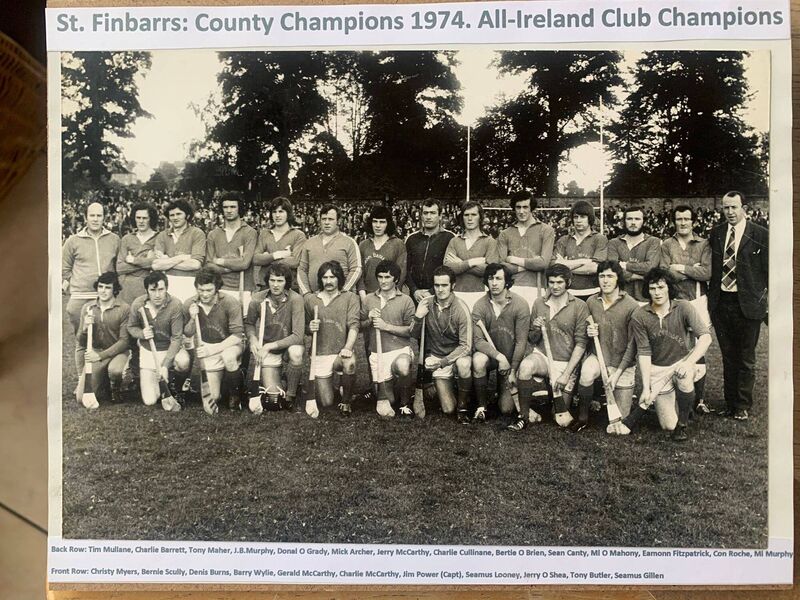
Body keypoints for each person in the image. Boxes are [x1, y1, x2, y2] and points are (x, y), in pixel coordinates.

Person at [612, 267, 712, 441]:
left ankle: (682, 425)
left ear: (669, 288)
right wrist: (645, 387)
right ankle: (679, 409)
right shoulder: (640, 315)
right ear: (647, 290)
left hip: (682, 362)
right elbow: (643, 351)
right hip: (658, 370)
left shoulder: (684, 307)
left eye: (661, 287)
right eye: (652, 288)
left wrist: (688, 363)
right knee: (667, 425)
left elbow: (706, 338)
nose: (657, 293)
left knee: (684, 376)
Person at [707, 191, 768, 421]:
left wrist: (764, 302)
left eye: (734, 207)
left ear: (744, 207)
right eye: (726, 208)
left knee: (745, 356)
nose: (730, 212)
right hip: (722, 303)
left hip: (748, 305)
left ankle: (742, 404)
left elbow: (769, 272)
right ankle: (730, 403)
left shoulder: (760, 235)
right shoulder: (717, 234)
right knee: (728, 356)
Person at [516, 264, 590, 431]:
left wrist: (566, 374)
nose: (555, 286)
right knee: (526, 366)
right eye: (551, 282)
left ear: (568, 282)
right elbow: (532, 339)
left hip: (566, 362)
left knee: (557, 414)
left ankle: (557, 393)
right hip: (543, 357)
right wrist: (535, 328)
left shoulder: (579, 306)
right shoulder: (539, 303)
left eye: (559, 282)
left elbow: (581, 344)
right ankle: (524, 416)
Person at [574, 261, 639, 431]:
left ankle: (607, 398)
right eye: (602, 276)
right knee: (587, 373)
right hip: (599, 356)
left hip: (622, 364)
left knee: (621, 419)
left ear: (618, 279)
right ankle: (583, 417)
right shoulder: (591, 301)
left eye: (610, 276)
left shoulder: (632, 305)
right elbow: (583, 335)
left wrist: (617, 373)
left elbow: (633, 346)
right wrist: (589, 332)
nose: (605, 280)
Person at [660, 204, 712, 414]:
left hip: (697, 300)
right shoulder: (666, 245)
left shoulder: (703, 244)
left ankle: (699, 399)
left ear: (693, 221)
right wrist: (693, 269)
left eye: (686, 219)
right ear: (674, 221)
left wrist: (679, 268)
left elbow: (707, 273)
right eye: (679, 219)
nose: (683, 223)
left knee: (699, 346)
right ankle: (679, 394)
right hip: (674, 302)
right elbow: (665, 274)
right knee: (677, 344)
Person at [175, 268, 245, 413]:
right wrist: (193, 318)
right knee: (214, 397)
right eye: (201, 290)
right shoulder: (190, 303)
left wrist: (213, 349)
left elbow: (237, 335)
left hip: (229, 345)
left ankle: (235, 394)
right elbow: (187, 333)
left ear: (217, 288)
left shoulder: (230, 302)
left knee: (229, 357)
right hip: (207, 348)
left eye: (209, 290)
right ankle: (226, 382)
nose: (205, 294)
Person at [472, 263, 530, 426]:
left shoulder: (520, 304)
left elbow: (521, 342)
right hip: (491, 356)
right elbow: (477, 341)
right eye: (490, 279)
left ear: (507, 281)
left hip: (510, 360)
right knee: (478, 360)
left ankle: (501, 389)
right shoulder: (480, 305)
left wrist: (512, 369)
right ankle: (482, 406)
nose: (494, 283)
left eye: (498, 279)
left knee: (506, 409)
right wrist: (499, 356)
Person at [410, 266, 473, 419]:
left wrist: (443, 363)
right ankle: (454, 389)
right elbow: (413, 334)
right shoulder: (426, 303)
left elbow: (466, 347)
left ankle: (463, 407)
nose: (440, 289)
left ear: (453, 286)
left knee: (464, 365)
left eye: (444, 285)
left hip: (456, 358)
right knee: (447, 409)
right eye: (437, 285)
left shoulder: (461, 308)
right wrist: (418, 317)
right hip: (438, 357)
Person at [244, 263, 305, 414]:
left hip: (287, 346)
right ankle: (285, 379)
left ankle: (291, 395)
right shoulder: (257, 299)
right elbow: (249, 324)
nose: (275, 285)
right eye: (272, 280)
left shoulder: (296, 299)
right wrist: (252, 339)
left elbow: (298, 335)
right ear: (267, 281)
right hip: (268, 350)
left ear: (286, 282)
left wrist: (269, 346)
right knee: (273, 399)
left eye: (280, 281)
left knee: (296, 352)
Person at [360, 260, 415, 417]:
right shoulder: (369, 299)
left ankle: (405, 404)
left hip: (399, 351)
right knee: (388, 399)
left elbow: (411, 331)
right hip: (378, 353)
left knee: (403, 365)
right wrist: (369, 319)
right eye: (380, 277)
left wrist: (386, 327)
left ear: (396, 279)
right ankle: (395, 388)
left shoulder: (406, 300)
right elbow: (360, 326)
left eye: (387, 277)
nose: (383, 281)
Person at [304, 261, 360, 415]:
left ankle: (346, 402)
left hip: (340, 352)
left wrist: (348, 348)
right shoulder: (311, 300)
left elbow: (354, 326)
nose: (328, 281)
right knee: (327, 402)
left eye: (332, 277)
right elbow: (305, 328)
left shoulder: (350, 297)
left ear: (339, 279)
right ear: (320, 279)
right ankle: (341, 386)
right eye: (325, 277)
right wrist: (310, 327)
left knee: (350, 363)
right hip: (321, 353)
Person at [127, 271, 184, 409]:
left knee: (183, 362)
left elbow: (177, 338)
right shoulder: (138, 304)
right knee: (150, 400)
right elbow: (131, 327)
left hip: (169, 349)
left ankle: (175, 386)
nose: (157, 295)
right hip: (148, 350)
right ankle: (161, 383)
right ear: (147, 290)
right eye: (153, 290)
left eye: (161, 290)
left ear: (166, 289)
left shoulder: (175, 304)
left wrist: (165, 365)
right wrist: (142, 333)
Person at [62, 201, 120, 335]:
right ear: (85, 217)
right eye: (92, 215)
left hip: (107, 295)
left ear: (104, 218)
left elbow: (119, 265)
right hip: (80, 295)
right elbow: (65, 268)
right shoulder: (72, 240)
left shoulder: (114, 239)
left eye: (99, 216)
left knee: (105, 337)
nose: (95, 219)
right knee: (82, 338)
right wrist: (78, 282)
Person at [74, 272, 130, 408]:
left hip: (117, 353)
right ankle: (103, 383)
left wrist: (99, 356)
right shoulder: (88, 308)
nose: (103, 291)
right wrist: (85, 328)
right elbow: (81, 342)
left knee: (115, 371)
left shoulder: (124, 308)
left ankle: (115, 388)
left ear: (115, 289)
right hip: (96, 353)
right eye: (100, 287)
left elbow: (124, 341)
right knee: (81, 398)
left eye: (107, 287)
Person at [496, 191, 555, 310]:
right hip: (510, 288)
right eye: (518, 207)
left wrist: (513, 259)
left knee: (535, 327)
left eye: (525, 207)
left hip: (537, 288)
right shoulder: (504, 234)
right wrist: (532, 264)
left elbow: (543, 263)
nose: (521, 211)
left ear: (531, 208)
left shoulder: (546, 230)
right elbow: (501, 266)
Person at [204, 191, 258, 313]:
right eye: (225, 207)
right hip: (219, 288)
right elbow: (209, 266)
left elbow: (245, 263)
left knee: (242, 328)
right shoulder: (213, 234)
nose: (229, 210)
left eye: (233, 207)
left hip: (243, 289)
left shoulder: (250, 232)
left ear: (239, 208)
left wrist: (220, 261)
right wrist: (231, 266)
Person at [444, 201, 499, 313]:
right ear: (462, 217)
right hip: (456, 293)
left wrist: (460, 263)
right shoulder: (454, 241)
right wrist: (471, 262)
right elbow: (448, 268)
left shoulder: (490, 242)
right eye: (466, 215)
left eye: (473, 215)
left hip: (481, 294)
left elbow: (490, 271)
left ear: (480, 217)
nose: (470, 218)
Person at [297, 204, 361, 295]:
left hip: (342, 299)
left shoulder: (349, 242)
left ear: (338, 221)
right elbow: (302, 269)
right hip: (314, 299)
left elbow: (356, 269)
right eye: (324, 219)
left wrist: (343, 292)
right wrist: (306, 294)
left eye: (330, 219)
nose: (327, 222)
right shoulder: (309, 243)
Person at [152, 199, 206, 303]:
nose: (175, 218)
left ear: (187, 215)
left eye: (179, 214)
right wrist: (182, 257)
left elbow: (195, 264)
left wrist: (167, 260)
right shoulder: (162, 235)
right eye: (172, 215)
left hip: (190, 283)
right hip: (167, 283)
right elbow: (155, 265)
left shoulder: (197, 233)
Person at [552, 200, 607, 300]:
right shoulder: (563, 240)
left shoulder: (600, 239)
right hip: (567, 293)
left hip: (593, 293)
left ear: (590, 218)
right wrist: (584, 261)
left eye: (583, 217)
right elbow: (555, 268)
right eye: (575, 217)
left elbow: (595, 268)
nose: (578, 220)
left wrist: (565, 264)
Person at [607, 206, 662, 302]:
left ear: (643, 221)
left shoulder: (654, 242)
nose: (633, 222)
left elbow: (650, 267)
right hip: (620, 299)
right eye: (629, 219)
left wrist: (624, 265)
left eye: (637, 219)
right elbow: (613, 271)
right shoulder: (613, 243)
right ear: (624, 221)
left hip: (646, 300)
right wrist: (641, 276)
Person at [405, 198, 455, 304]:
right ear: (421, 215)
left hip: (440, 295)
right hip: (415, 296)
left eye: (432, 213)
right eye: (425, 213)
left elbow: (451, 270)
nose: (428, 217)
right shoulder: (411, 239)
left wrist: (432, 291)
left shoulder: (450, 238)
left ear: (440, 215)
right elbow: (406, 268)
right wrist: (414, 290)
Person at [253, 196, 307, 291]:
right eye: (274, 212)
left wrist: (267, 258)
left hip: (289, 287)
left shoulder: (299, 235)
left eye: (281, 211)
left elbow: (295, 262)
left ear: (288, 213)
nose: (277, 215)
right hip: (265, 285)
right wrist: (279, 255)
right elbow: (256, 259)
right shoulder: (264, 233)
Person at [358, 206, 407, 299]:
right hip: (366, 297)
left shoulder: (398, 244)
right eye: (375, 221)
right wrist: (364, 298)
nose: (378, 225)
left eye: (382, 222)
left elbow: (401, 274)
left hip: (390, 297)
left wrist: (391, 297)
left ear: (388, 223)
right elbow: (360, 274)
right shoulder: (363, 245)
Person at [116, 202, 158, 305]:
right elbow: (120, 268)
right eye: (138, 218)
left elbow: (157, 264)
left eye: (145, 218)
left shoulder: (159, 238)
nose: (141, 221)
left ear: (151, 219)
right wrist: (146, 262)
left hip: (149, 288)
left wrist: (134, 260)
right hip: (127, 289)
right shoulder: (127, 239)